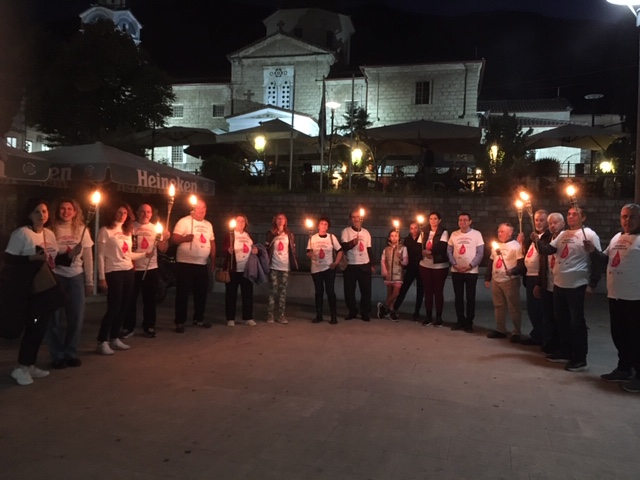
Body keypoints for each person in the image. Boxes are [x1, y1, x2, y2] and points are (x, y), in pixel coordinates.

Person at [4, 200, 67, 385]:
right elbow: (9, 259)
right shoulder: (22, 233)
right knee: (33, 327)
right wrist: (31, 258)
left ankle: (29, 364)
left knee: (40, 327)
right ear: (29, 214)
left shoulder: (49, 233)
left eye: (44, 211)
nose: (42, 215)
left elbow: (52, 260)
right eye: (37, 212)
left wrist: (69, 256)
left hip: (45, 288)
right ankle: (21, 367)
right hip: (29, 289)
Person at [537, 206, 601, 372]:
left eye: (575, 214)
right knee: (562, 321)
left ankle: (580, 358)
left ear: (583, 218)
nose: (571, 217)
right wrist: (537, 240)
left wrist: (593, 283)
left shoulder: (589, 235)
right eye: (569, 214)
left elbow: (598, 261)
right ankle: (565, 351)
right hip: (559, 284)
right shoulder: (563, 234)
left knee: (576, 323)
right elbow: (547, 250)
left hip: (577, 285)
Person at [585, 204, 640, 391]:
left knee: (636, 338)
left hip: (635, 298)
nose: (627, 220)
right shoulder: (617, 237)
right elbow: (604, 260)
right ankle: (624, 368)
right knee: (619, 335)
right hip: (615, 295)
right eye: (624, 216)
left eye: (632, 216)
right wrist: (593, 251)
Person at [46, 198, 94, 369]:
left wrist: (89, 281)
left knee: (76, 318)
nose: (65, 212)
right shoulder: (50, 230)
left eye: (69, 209)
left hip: (76, 277)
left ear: (75, 212)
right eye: (62, 208)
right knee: (54, 319)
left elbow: (88, 257)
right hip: (56, 277)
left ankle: (70, 353)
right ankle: (57, 355)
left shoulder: (82, 230)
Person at [97, 203, 149, 355]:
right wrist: (101, 277)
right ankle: (102, 341)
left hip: (128, 270)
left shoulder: (127, 231)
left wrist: (144, 254)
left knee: (124, 306)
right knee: (114, 307)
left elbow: (127, 254)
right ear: (113, 213)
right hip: (113, 271)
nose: (122, 215)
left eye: (125, 213)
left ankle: (114, 337)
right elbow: (100, 256)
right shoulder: (105, 231)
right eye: (119, 212)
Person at [122, 203, 170, 339]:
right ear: (137, 212)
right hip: (133, 268)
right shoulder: (131, 227)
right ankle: (128, 327)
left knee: (150, 300)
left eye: (148, 212)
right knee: (130, 299)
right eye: (143, 211)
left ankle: (149, 326)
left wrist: (165, 239)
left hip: (151, 268)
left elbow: (163, 249)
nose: (145, 214)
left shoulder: (155, 229)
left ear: (151, 214)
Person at [172, 199, 216, 333]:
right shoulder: (184, 221)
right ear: (193, 209)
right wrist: (185, 238)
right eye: (198, 208)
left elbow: (212, 242)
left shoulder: (208, 225)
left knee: (201, 293)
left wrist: (213, 259)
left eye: (204, 208)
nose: (201, 210)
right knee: (183, 293)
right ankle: (180, 321)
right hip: (185, 263)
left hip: (201, 264)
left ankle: (198, 318)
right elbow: (174, 238)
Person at [485, 223, 525, 342]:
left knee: (513, 307)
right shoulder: (496, 246)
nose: (499, 233)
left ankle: (516, 331)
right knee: (498, 306)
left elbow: (521, 264)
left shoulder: (516, 246)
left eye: (502, 231)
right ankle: (500, 329)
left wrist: (513, 271)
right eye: (498, 231)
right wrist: (487, 277)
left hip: (510, 281)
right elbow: (491, 261)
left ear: (510, 233)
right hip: (496, 279)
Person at [516, 210, 551, 346]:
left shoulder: (547, 237)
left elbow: (543, 254)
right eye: (536, 220)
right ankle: (536, 334)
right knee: (532, 309)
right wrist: (522, 244)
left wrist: (539, 282)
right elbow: (527, 253)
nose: (538, 223)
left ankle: (544, 337)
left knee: (540, 309)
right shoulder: (533, 237)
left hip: (539, 277)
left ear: (547, 222)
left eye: (542, 220)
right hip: (529, 276)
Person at [447, 212, 484, 333]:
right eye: (460, 220)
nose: (462, 222)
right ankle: (460, 320)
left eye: (465, 220)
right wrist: (454, 264)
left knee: (470, 297)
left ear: (470, 221)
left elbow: (480, 253)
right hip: (456, 270)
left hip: (471, 272)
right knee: (458, 297)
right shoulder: (454, 234)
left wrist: (470, 266)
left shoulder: (477, 234)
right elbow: (449, 251)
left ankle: (469, 322)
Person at [536, 212, 565, 354]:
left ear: (563, 224)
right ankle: (550, 342)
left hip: (561, 284)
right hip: (547, 282)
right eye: (551, 223)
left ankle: (561, 345)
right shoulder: (547, 239)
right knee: (548, 316)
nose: (553, 226)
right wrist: (539, 282)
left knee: (560, 317)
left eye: (556, 222)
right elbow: (542, 260)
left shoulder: (565, 238)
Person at [341, 209, 376, 322]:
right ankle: (352, 311)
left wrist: (372, 264)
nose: (356, 219)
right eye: (354, 217)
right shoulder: (346, 231)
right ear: (351, 219)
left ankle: (365, 312)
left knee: (366, 290)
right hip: (351, 265)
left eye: (358, 217)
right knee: (349, 290)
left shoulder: (366, 232)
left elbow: (369, 249)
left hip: (364, 264)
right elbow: (344, 246)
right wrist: (352, 243)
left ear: (361, 218)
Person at [223, 214, 258, 327]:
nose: (241, 223)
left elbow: (253, 247)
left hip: (246, 270)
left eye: (243, 221)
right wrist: (228, 250)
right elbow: (224, 248)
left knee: (247, 294)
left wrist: (255, 250)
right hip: (233, 270)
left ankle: (248, 317)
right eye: (238, 221)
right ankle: (230, 318)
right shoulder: (230, 235)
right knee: (231, 294)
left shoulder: (248, 235)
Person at [307, 217, 343, 324]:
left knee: (330, 291)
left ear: (328, 227)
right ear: (318, 226)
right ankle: (319, 315)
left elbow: (340, 250)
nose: (323, 226)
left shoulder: (331, 237)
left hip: (328, 268)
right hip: (316, 268)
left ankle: (333, 315)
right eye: (321, 223)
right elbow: (308, 252)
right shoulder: (313, 238)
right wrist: (310, 254)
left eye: (326, 224)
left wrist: (336, 263)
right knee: (319, 292)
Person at [265, 212, 298, 324]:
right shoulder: (270, 234)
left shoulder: (289, 234)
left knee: (283, 291)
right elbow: (266, 249)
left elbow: (292, 250)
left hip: (285, 266)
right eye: (278, 218)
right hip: (273, 266)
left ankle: (281, 315)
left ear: (285, 221)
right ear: (275, 220)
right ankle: (270, 314)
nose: (280, 220)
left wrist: (294, 262)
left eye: (282, 218)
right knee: (273, 290)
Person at [419, 212, 449, 326]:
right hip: (425, 265)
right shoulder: (424, 231)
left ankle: (439, 317)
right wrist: (422, 252)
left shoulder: (444, 232)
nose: (432, 220)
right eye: (431, 218)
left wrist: (431, 253)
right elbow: (418, 245)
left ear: (439, 220)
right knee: (428, 291)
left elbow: (442, 247)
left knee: (438, 291)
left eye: (435, 218)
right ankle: (428, 316)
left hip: (439, 266)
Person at [393, 222, 424, 321]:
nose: (414, 230)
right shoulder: (407, 240)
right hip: (410, 267)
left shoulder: (422, 238)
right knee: (404, 288)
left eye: (416, 228)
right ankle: (395, 308)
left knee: (420, 290)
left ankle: (417, 312)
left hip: (420, 267)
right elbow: (405, 252)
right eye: (412, 228)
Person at [378, 229, 408, 320]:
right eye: (392, 236)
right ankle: (390, 312)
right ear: (389, 238)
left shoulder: (403, 248)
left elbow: (405, 262)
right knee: (389, 294)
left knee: (396, 293)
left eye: (396, 236)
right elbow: (383, 261)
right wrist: (384, 271)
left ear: (399, 237)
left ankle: (383, 306)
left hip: (398, 274)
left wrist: (401, 258)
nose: (394, 238)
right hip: (388, 274)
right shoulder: (386, 249)